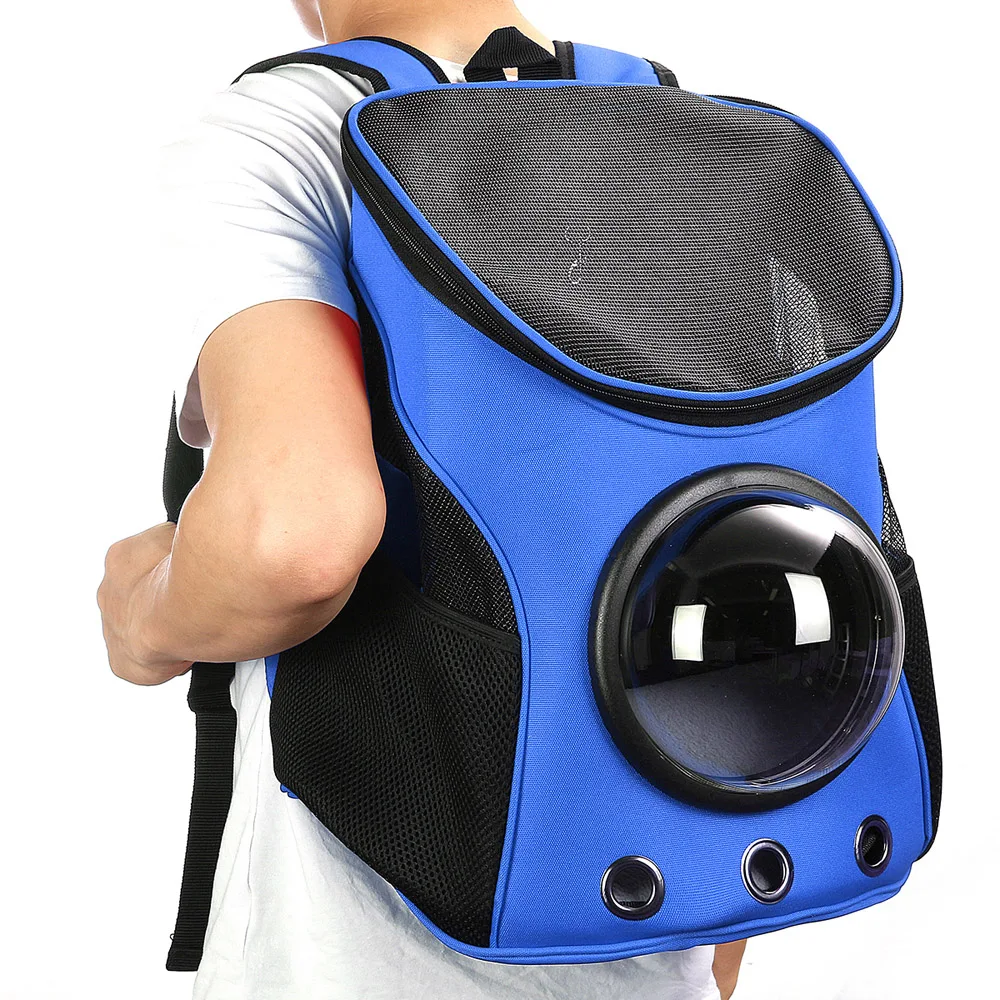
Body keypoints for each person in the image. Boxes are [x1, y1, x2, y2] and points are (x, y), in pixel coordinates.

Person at [98, 2, 747, 997]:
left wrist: (146, 616)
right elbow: (745, 535)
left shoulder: (293, 130)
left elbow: (292, 543)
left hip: (358, 958)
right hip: (667, 918)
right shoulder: (685, 133)